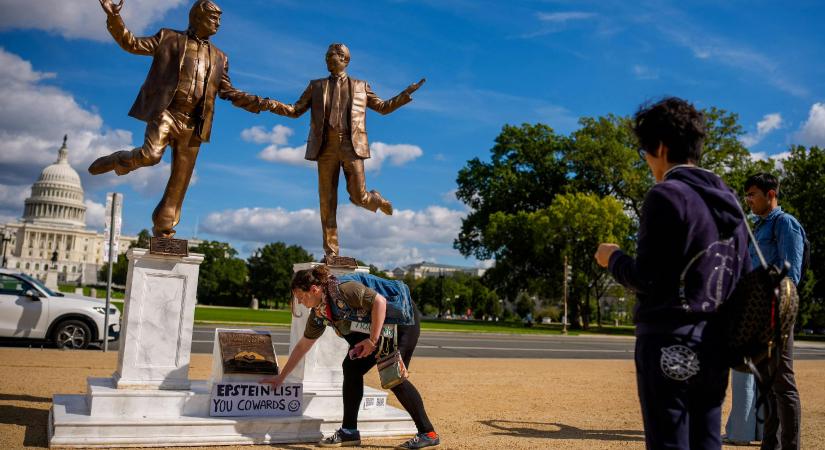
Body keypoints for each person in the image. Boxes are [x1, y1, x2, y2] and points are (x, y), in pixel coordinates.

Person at [594, 97, 751, 449]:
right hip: (714, 343)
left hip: (668, 342)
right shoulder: (731, 203)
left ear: (661, 148)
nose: (648, 162)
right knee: (706, 441)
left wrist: (613, 257)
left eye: (645, 153)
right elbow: (743, 279)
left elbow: (647, 278)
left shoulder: (666, 195)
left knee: (669, 442)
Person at [89, 0, 274, 238]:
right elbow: (132, 43)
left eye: (219, 19)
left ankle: (164, 228)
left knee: (180, 180)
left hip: (194, 123)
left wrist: (261, 102)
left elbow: (228, 91)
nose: (218, 23)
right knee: (150, 155)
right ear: (197, 18)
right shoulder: (168, 37)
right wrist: (115, 18)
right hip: (166, 112)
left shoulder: (220, 57)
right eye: (213, 18)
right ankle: (118, 160)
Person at [263, 43, 425, 258]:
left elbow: (383, 108)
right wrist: (271, 104)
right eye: (326, 57)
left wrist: (405, 94)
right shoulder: (316, 86)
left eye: (332, 56)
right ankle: (331, 253)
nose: (328, 60)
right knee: (327, 201)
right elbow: (295, 111)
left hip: (351, 146)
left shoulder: (360, 86)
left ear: (344, 59)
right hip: (325, 147)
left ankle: (376, 200)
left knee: (358, 196)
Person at [261, 266, 440, 449]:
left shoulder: (343, 289)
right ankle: (349, 432)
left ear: (314, 289)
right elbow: (303, 345)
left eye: (301, 296)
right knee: (352, 368)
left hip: (401, 320)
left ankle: (428, 433)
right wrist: (281, 377)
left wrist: (372, 340)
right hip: (378, 328)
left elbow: (379, 303)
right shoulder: (318, 314)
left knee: (394, 376)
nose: (299, 302)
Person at [724, 172, 804, 449]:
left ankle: (790, 446)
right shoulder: (757, 228)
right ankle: (770, 445)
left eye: (752, 194)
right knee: (768, 387)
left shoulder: (785, 224)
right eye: (746, 195)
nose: (748, 200)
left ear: (771, 194)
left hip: (776, 313)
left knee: (783, 384)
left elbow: (790, 274)